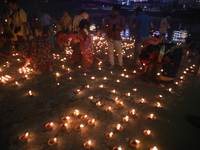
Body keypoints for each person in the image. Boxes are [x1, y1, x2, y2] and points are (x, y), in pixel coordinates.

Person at [102, 4, 125, 69]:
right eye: (115, 11)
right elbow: (103, 27)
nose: (116, 13)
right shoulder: (107, 18)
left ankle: (120, 63)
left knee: (119, 51)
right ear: (112, 10)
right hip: (110, 36)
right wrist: (109, 27)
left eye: (117, 12)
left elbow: (124, 28)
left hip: (118, 37)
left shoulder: (121, 17)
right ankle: (112, 63)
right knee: (110, 51)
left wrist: (118, 27)